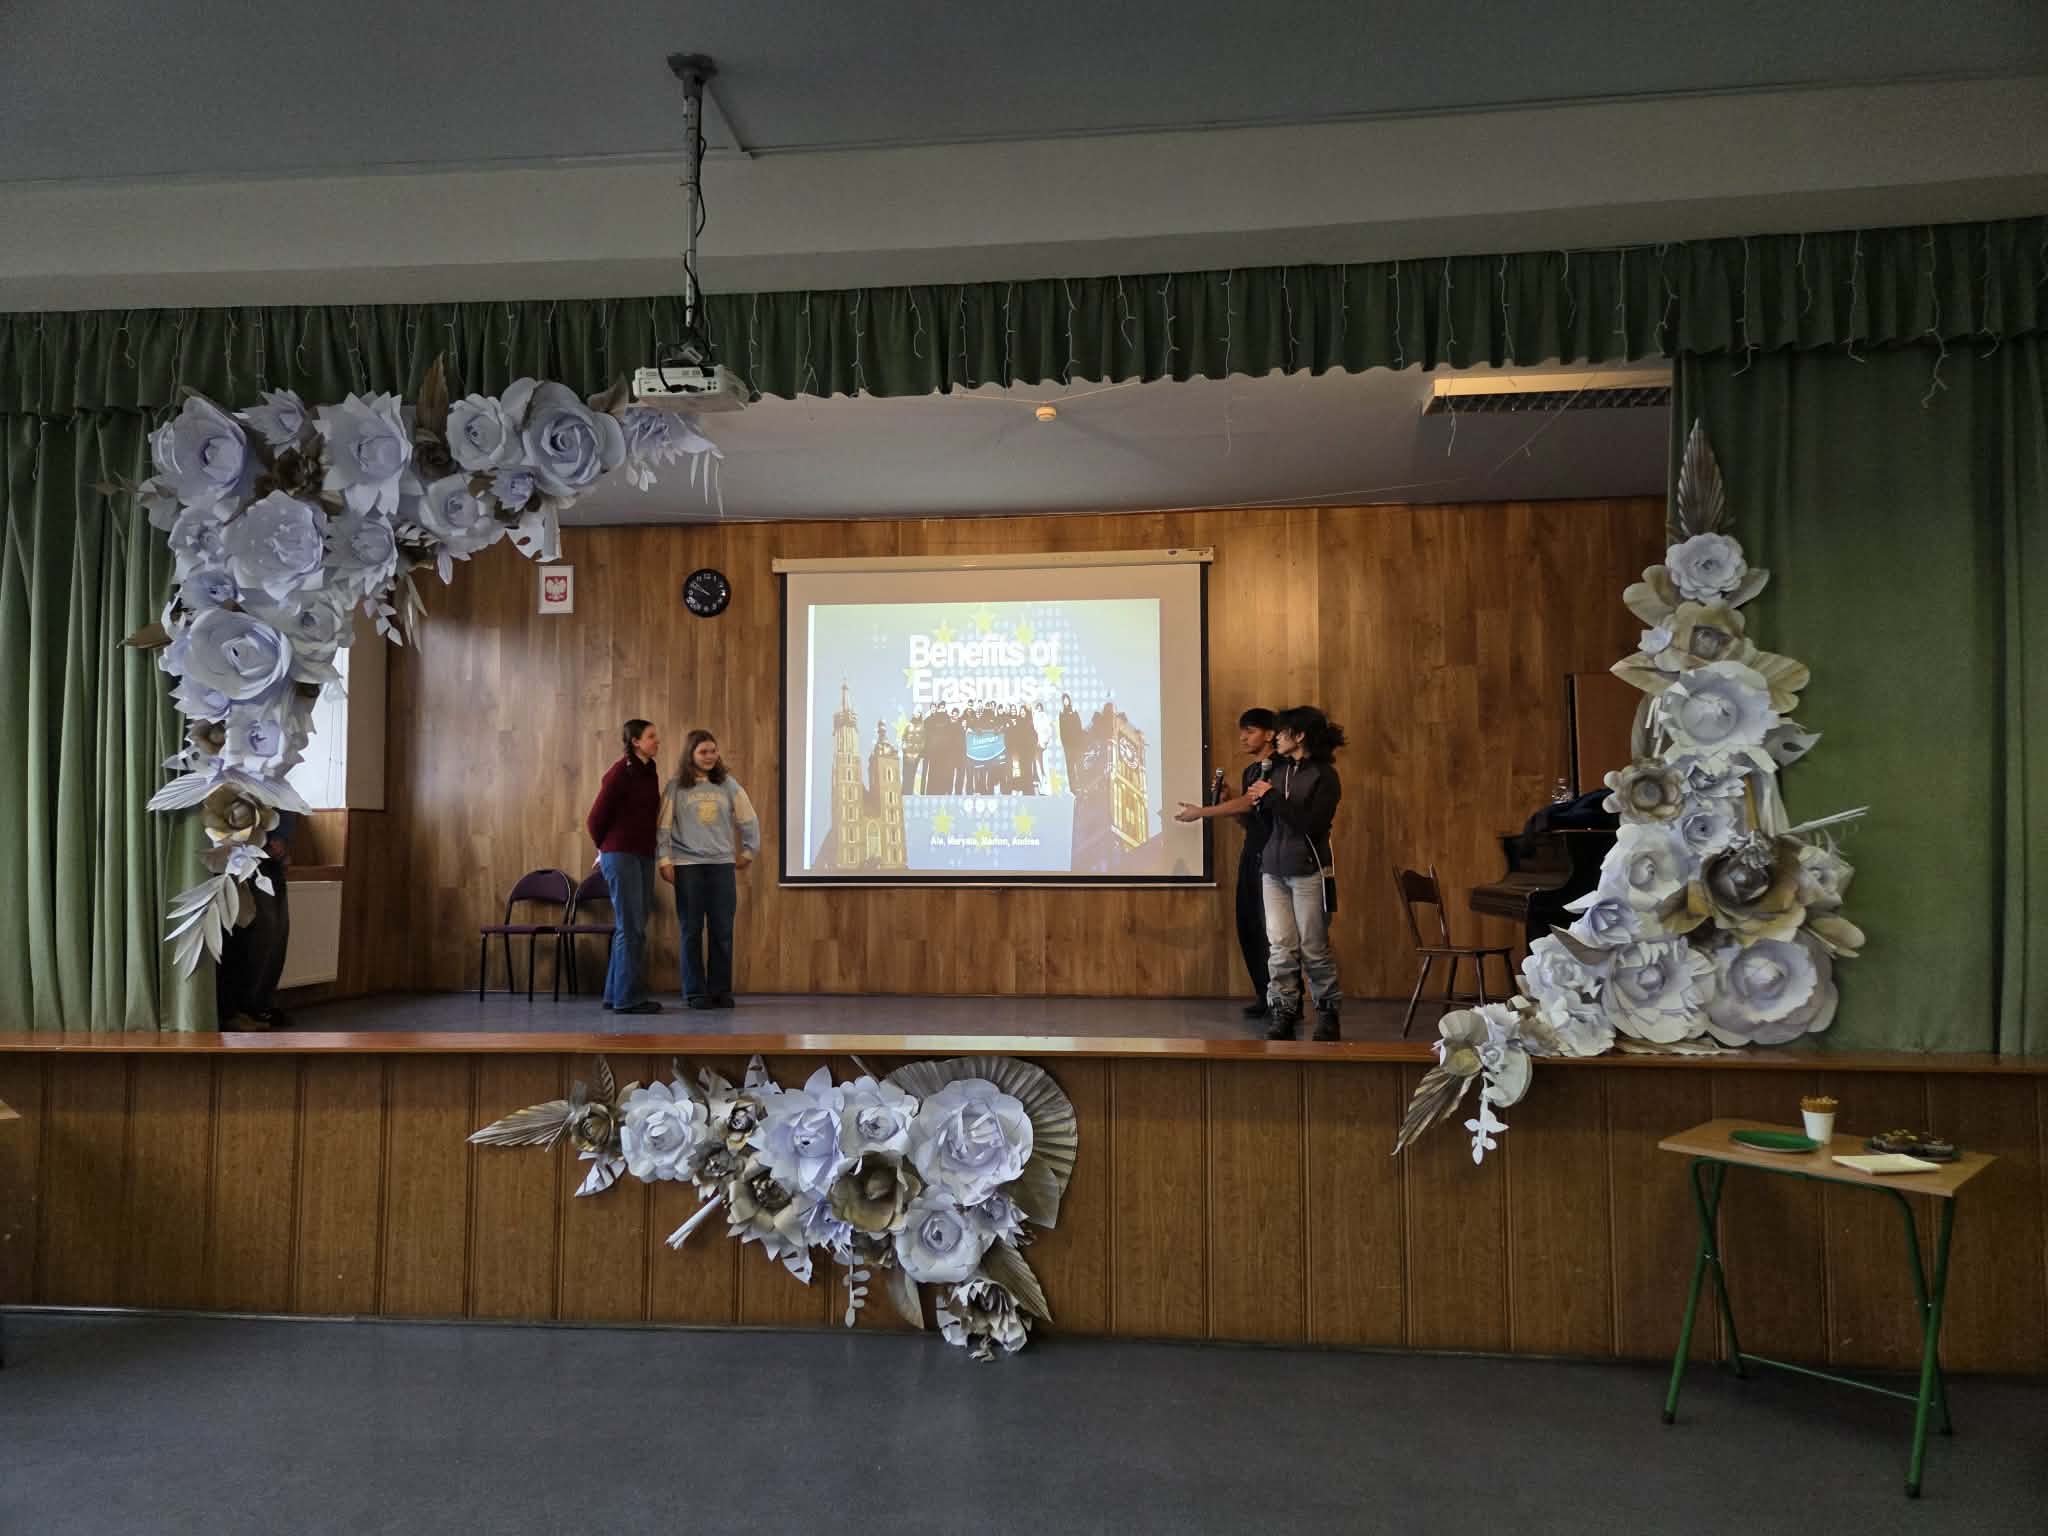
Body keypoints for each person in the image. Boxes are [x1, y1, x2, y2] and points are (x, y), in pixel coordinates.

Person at [1247, 706, 1346, 1041]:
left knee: (1313, 946)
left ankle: (1327, 1012)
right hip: (1272, 871)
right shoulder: (1275, 770)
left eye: (1283, 731)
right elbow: (1268, 822)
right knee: (1280, 946)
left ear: (1300, 735)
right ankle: (1283, 1010)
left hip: (1308, 871)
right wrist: (1259, 804)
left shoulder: (1324, 776)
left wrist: (1272, 797)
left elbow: (1311, 823)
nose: (1276, 737)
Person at [1174, 709, 1279, 1019]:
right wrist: (1226, 800)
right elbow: (1248, 817)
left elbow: (1251, 802)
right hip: (1252, 852)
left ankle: (1283, 999)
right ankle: (1264, 994)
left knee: (1272, 930)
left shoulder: (1278, 767)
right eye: (1242, 732)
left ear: (1270, 734)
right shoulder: (1250, 771)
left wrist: (1202, 812)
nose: (1243, 738)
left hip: (1273, 857)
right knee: (1248, 925)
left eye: (1250, 731)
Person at [657, 729, 761, 1010]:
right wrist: (664, 860)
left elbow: (749, 819)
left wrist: (749, 851)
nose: (710, 756)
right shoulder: (676, 786)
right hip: (687, 866)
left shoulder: (728, 784)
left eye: (713, 751)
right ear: (690, 754)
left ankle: (720, 990)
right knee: (691, 929)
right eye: (703, 752)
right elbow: (663, 826)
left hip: (721, 866)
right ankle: (694, 992)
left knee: (722, 929)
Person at [586, 718, 663, 1015]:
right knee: (631, 928)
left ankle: (614, 994)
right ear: (636, 741)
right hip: (621, 854)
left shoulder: (649, 771)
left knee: (632, 926)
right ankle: (629, 999)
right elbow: (595, 819)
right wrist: (605, 848)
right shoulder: (621, 772)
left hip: (643, 854)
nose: (657, 741)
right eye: (651, 736)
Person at [216, 809, 297, 1031]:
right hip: (243, 852)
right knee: (254, 932)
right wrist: (270, 838)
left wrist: (283, 839)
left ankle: (259, 1004)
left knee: (277, 935)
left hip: (271, 858)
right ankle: (235, 1010)